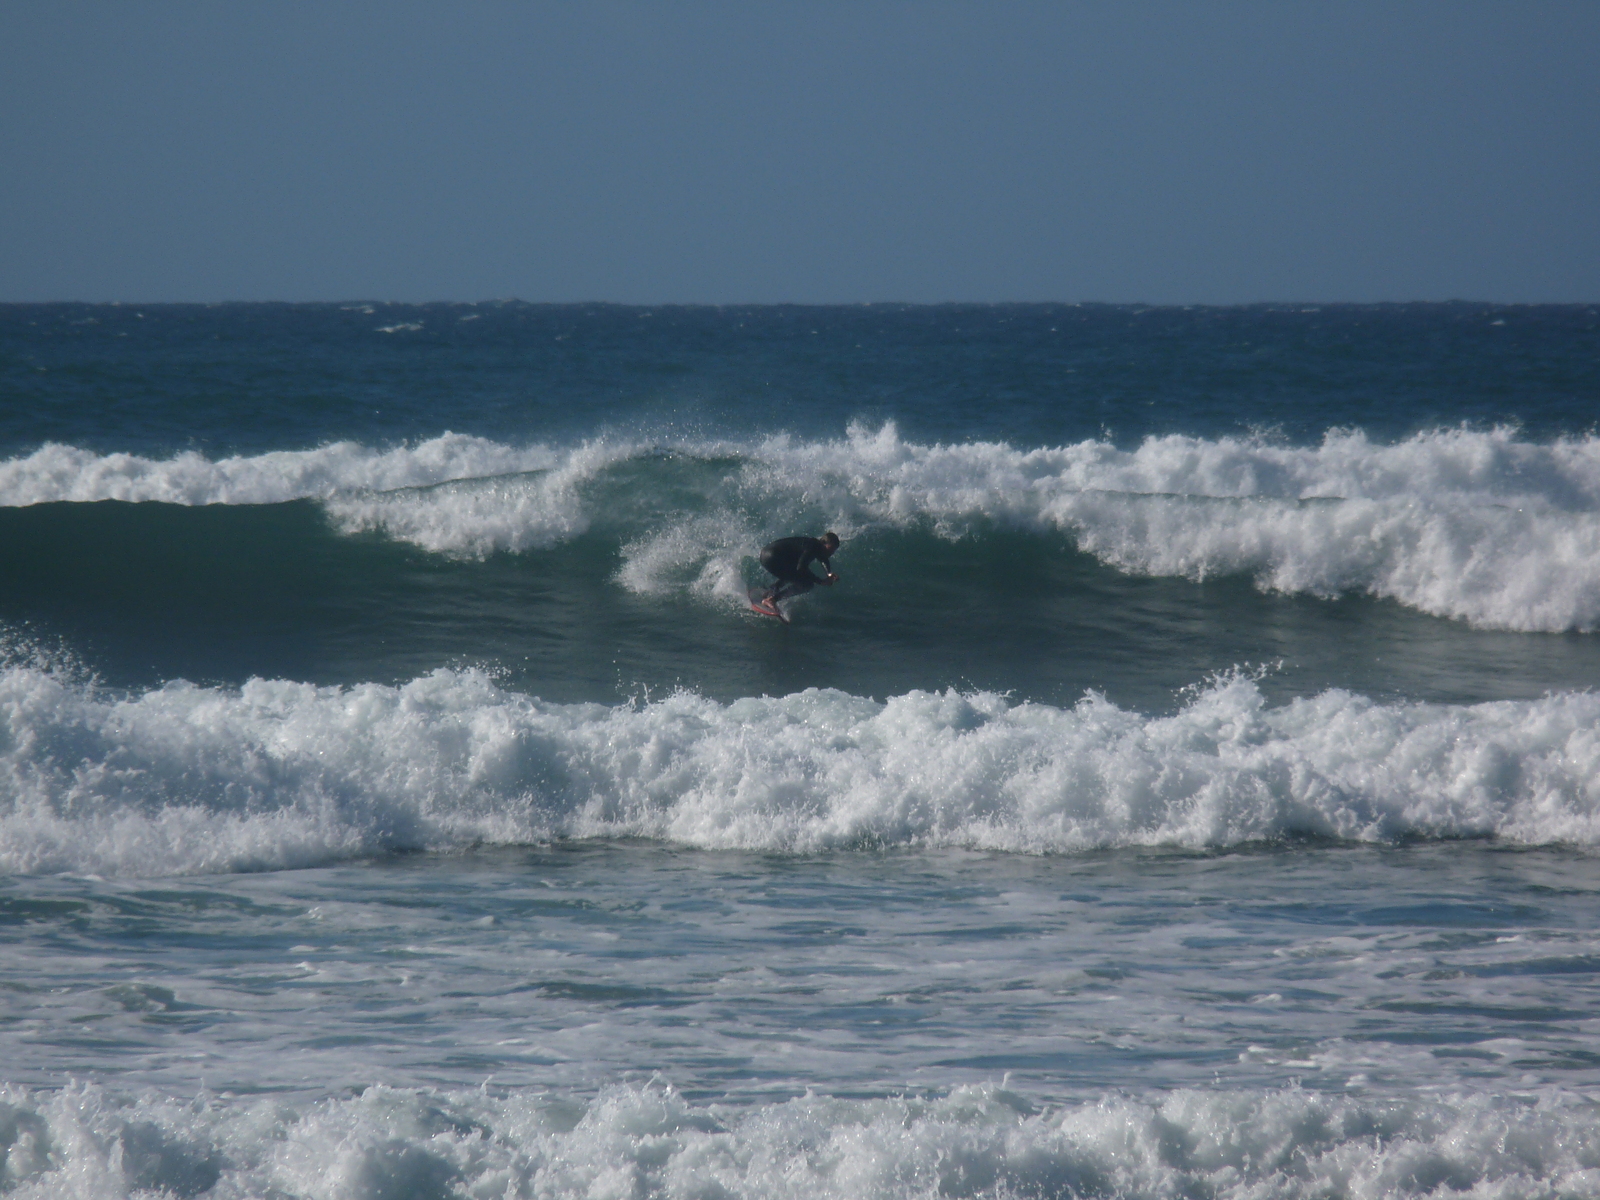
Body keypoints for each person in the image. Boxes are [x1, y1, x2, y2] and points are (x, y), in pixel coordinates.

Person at [758, 532, 840, 605]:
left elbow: (823, 559)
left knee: (793, 572)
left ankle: (771, 590)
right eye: (831, 549)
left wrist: (829, 573)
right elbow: (801, 568)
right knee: (807, 584)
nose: (831, 553)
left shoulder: (814, 545)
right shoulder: (812, 547)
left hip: (766, 555)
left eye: (834, 550)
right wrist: (820, 581)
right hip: (772, 558)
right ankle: (772, 600)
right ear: (823, 543)